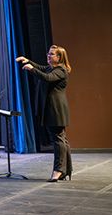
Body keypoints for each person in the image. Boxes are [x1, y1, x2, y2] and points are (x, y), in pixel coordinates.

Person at [18, 46, 73, 182]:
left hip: (56, 109)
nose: (48, 56)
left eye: (52, 54)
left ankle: (59, 170)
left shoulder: (61, 70)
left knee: (58, 140)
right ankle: (66, 170)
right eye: (48, 53)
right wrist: (27, 61)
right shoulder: (52, 68)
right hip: (53, 109)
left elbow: (47, 77)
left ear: (59, 57)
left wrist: (31, 69)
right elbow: (42, 69)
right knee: (62, 140)